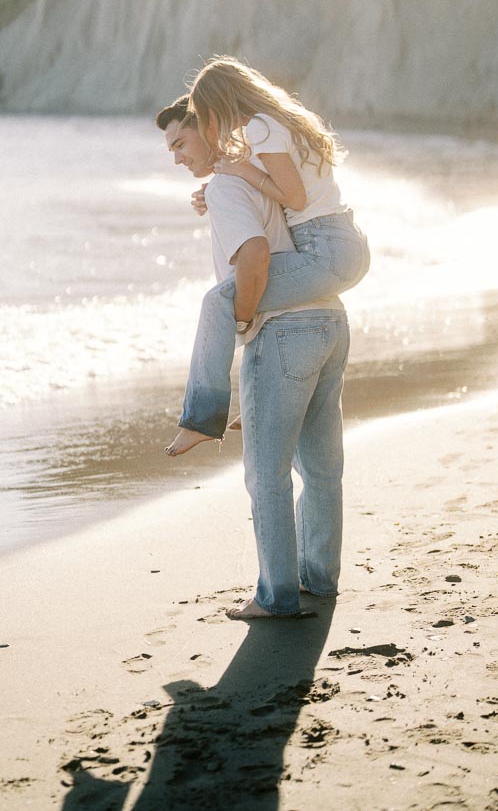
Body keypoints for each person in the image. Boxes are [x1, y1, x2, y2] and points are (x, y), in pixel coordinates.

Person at [156, 98, 350, 618]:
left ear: (208, 128)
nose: (175, 156)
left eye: (181, 142)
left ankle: (278, 597)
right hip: (330, 320)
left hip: (283, 331)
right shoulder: (253, 172)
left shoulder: (225, 186)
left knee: (266, 476)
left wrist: (243, 318)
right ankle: (321, 581)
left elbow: (256, 258)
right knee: (322, 468)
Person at [163, 57, 368, 457]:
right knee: (324, 471)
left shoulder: (259, 127)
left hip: (325, 247)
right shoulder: (282, 122)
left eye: (206, 115)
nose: (212, 127)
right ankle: (258, 400)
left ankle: (201, 419)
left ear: (219, 105)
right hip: (342, 241)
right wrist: (221, 188)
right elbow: (276, 187)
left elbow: (294, 198)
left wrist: (241, 175)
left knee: (221, 300)